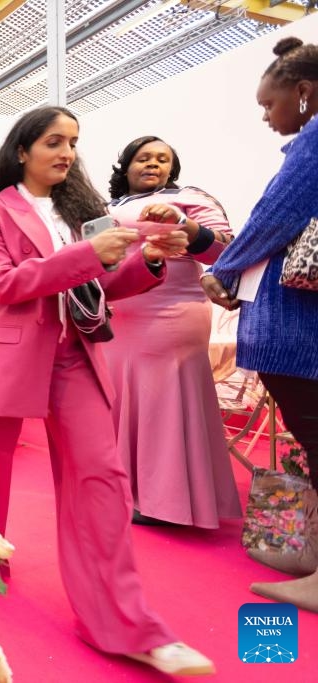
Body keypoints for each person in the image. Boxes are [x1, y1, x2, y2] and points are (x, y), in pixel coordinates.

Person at [0, 105, 215, 676]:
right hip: (12, 355)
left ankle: (122, 623)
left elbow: (101, 286)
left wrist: (145, 260)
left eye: (73, 142)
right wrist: (87, 255)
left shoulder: (84, 214)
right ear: (22, 150)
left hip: (75, 355)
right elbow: (2, 284)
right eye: (54, 141)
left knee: (102, 477)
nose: (67, 153)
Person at [201, 36, 318, 613]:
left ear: (304, 92)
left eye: (269, 104)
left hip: (298, 327)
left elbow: (276, 216)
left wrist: (222, 270)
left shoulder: (315, 140)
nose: (266, 116)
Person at [103, 136, 241, 527]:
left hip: (171, 312)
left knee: (161, 399)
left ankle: (166, 500)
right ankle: (124, 490)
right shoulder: (107, 207)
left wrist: (185, 225)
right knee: (122, 398)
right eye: (144, 158)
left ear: (172, 169)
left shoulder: (189, 198)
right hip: (119, 315)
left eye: (162, 159)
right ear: (126, 166)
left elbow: (228, 250)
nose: (153, 164)